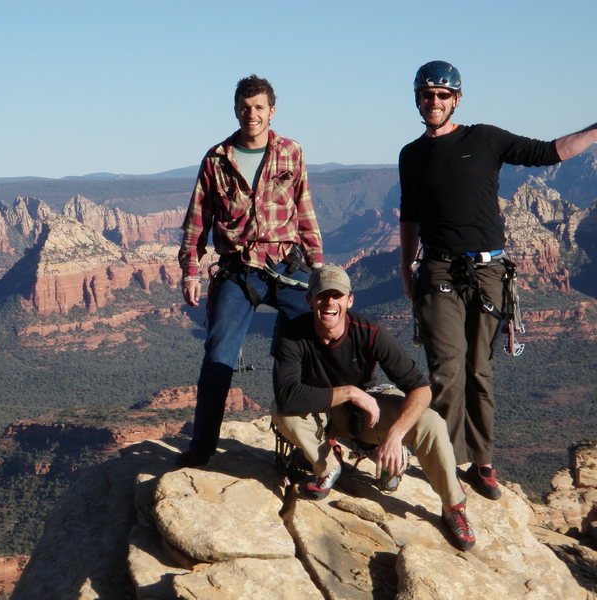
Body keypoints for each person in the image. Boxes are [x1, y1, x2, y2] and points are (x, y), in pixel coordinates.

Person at [398, 60, 597, 500]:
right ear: (418, 99)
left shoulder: (484, 138)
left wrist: (596, 128)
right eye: (427, 94)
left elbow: (551, 151)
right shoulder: (411, 154)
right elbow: (410, 213)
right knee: (447, 369)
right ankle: (449, 463)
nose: (434, 101)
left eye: (443, 95)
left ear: (457, 99)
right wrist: (404, 265)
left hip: (488, 272)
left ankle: (482, 462)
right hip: (438, 270)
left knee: (479, 371)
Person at [272, 264, 475, 551]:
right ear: (309, 300)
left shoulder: (369, 332)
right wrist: (350, 392)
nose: (329, 303)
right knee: (284, 415)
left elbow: (421, 389)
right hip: (322, 413)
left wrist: (394, 437)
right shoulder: (292, 334)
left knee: (431, 423)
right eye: (321, 296)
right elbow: (286, 395)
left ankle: (453, 504)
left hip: (367, 415)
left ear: (349, 300)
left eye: (337, 296)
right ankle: (328, 465)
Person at [176, 74, 324, 467]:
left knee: (318, 343)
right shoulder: (216, 158)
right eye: (245, 107)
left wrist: (319, 268)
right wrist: (191, 270)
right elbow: (197, 220)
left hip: (285, 263)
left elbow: (305, 211)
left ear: (272, 111)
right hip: (238, 270)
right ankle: (203, 446)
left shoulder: (291, 153)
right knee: (218, 355)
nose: (251, 114)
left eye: (259, 107)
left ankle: (322, 440)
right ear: (236, 110)